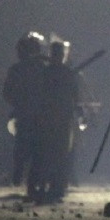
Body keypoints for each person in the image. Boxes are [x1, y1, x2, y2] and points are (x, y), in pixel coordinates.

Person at [31, 39, 80, 204]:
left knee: (59, 154)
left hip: (62, 119)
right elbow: (39, 95)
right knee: (44, 154)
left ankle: (57, 186)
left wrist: (78, 112)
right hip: (47, 119)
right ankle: (41, 185)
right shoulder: (45, 73)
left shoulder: (66, 74)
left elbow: (75, 96)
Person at [3, 33, 47, 191]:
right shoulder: (37, 68)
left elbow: (7, 92)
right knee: (28, 148)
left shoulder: (36, 68)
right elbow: (8, 92)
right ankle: (24, 176)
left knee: (31, 149)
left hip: (33, 115)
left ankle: (28, 179)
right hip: (28, 114)